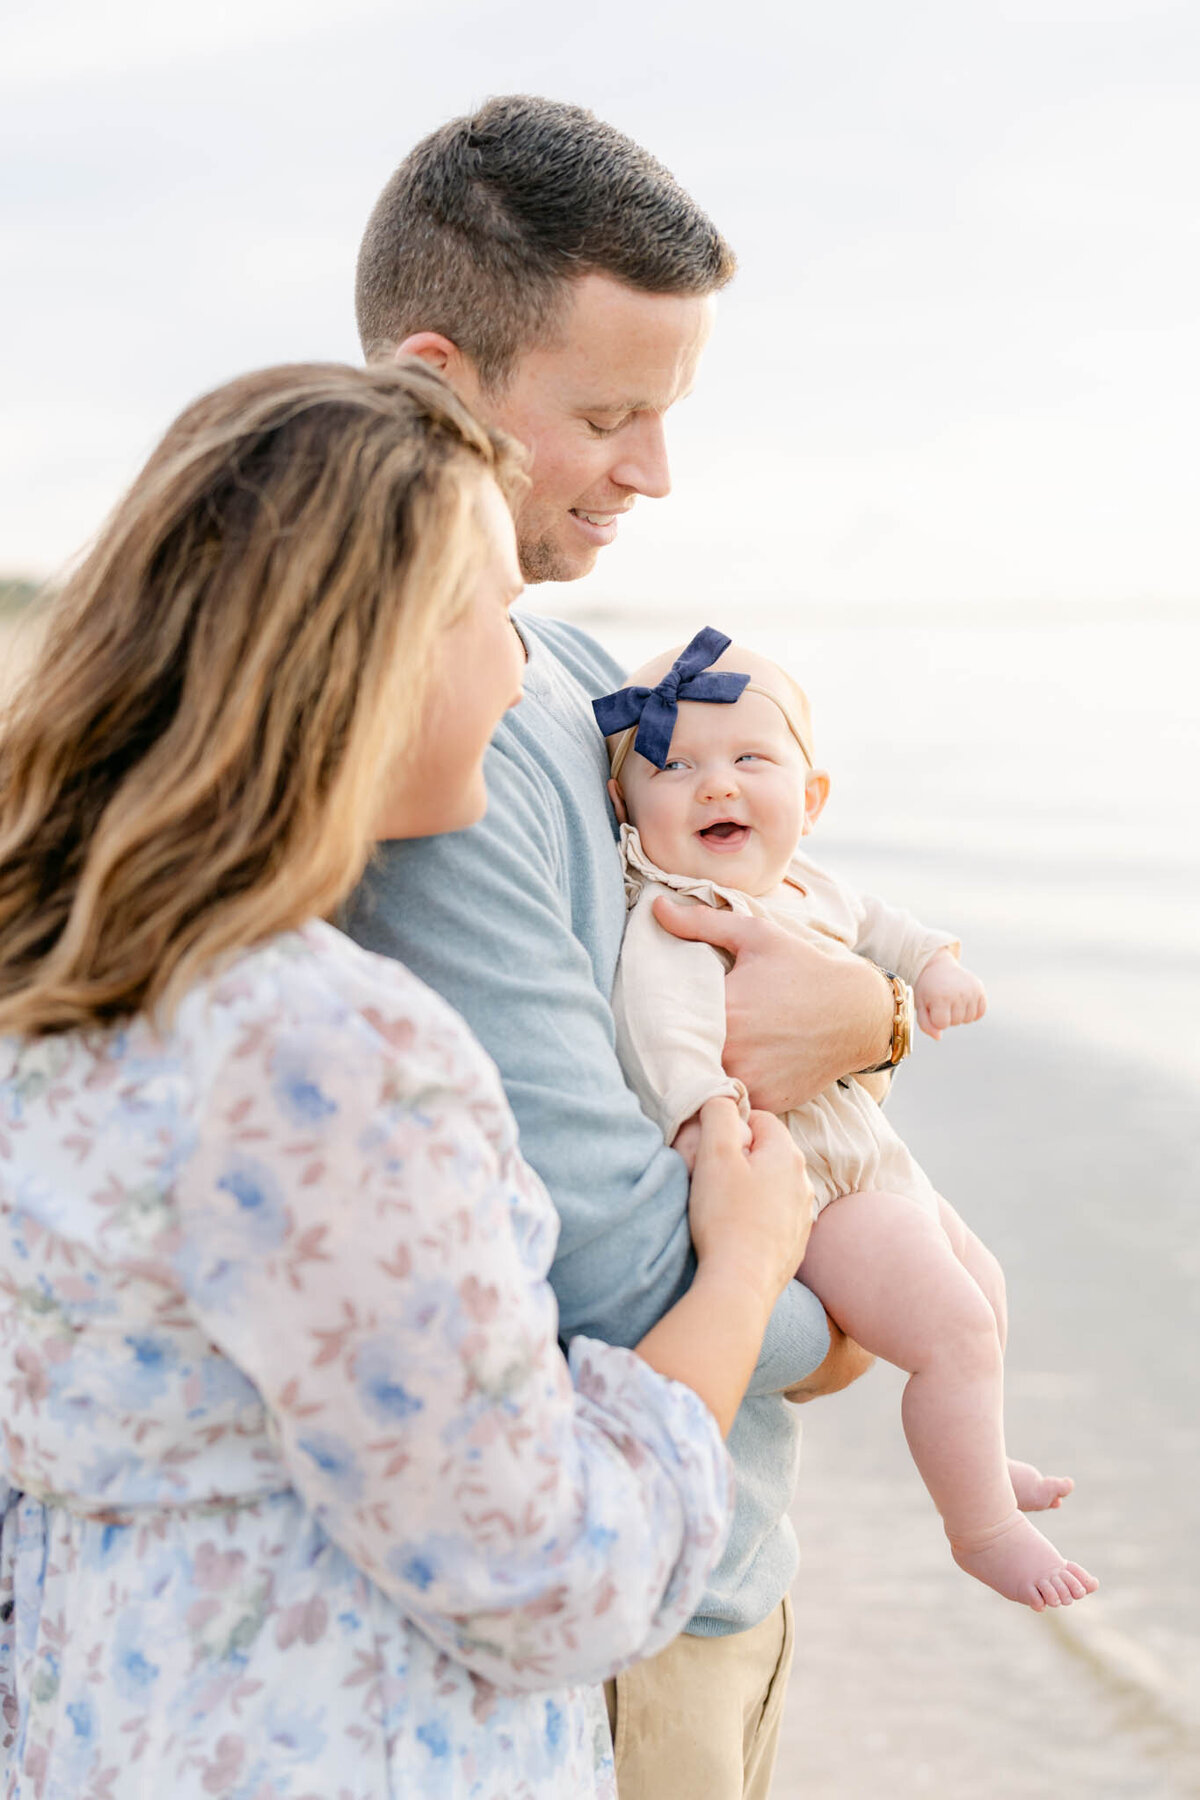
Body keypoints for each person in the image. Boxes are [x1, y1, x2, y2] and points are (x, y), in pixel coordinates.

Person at [0, 362, 816, 1799]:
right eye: (490, 614)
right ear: (369, 657)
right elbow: (547, 1572)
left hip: (106, 1722)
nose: (521, 673)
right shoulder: (326, 1057)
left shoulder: (53, 986)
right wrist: (749, 1263)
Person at [345, 96, 896, 1799]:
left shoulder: (590, 685)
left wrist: (871, 1010)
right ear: (438, 378)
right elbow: (606, 1283)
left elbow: (799, 958)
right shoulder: (430, 751)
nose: (655, 474)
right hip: (608, 1629)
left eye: (667, 414)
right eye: (606, 416)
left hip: (729, 1572)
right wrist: (862, 1324)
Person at [598, 629, 1101, 1612]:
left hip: (872, 1155)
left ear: (812, 799)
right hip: (807, 1184)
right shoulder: (673, 916)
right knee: (951, 1329)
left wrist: (937, 969)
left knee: (982, 1285)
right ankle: (980, 1528)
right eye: (675, 766)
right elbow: (665, 1036)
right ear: (624, 803)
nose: (716, 787)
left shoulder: (804, 888)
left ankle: (984, 1458)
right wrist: (707, 1119)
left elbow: (884, 927)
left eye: (751, 760)